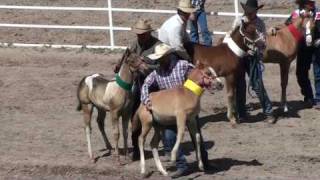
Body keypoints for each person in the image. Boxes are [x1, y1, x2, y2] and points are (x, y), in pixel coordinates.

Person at [140, 43, 192, 178]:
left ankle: (204, 161)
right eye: (158, 59)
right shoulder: (157, 72)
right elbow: (146, 84)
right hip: (170, 110)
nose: (159, 61)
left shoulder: (183, 65)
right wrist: (146, 100)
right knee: (169, 136)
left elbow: (197, 75)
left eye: (161, 58)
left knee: (196, 135)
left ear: (168, 56)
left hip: (187, 106)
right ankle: (182, 165)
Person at [114, 19, 161, 161]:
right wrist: (119, 65)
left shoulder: (158, 46)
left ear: (148, 33)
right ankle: (136, 148)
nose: (140, 36)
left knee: (160, 119)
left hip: (155, 86)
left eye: (142, 34)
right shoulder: (134, 45)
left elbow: (161, 66)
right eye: (138, 34)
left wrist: (145, 66)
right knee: (134, 118)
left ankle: (166, 147)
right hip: (139, 85)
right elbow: (124, 59)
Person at [235, 0, 275, 123]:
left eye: (251, 12)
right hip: (240, 57)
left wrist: (258, 49)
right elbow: (230, 37)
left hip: (252, 57)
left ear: (256, 11)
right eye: (247, 12)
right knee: (240, 85)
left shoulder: (260, 24)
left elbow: (263, 43)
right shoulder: (238, 21)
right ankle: (241, 113)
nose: (249, 14)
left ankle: (268, 111)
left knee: (257, 85)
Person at [285, 0, 317, 108]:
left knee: (318, 73)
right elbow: (287, 26)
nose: (311, 4)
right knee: (301, 73)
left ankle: (317, 98)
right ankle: (309, 97)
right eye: (309, 2)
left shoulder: (318, 14)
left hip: (317, 46)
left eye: (312, 2)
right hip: (303, 47)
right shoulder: (296, 14)